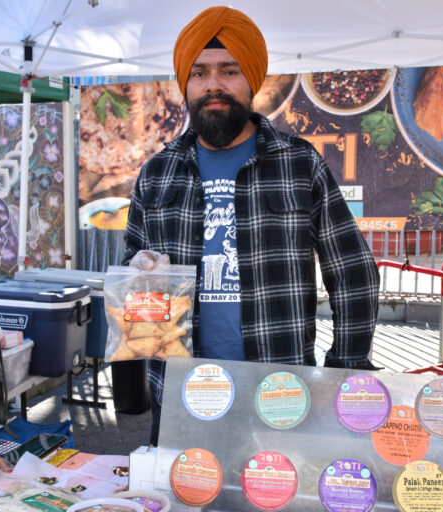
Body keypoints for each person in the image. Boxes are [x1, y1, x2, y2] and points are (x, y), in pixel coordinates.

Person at [122, 6, 380, 445]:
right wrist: (140, 269)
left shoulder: (299, 164)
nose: (213, 86)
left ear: (251, 80)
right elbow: (132, 271)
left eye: (229, 71)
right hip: (183, 389)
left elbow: (353, 273)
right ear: (186, 84)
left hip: (278, 392)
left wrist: (343, 371)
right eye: (200, 73)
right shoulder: (158, 172)